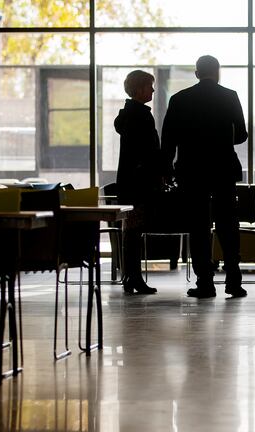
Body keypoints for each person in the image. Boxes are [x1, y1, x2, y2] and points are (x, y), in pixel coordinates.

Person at [161, 55, 248, 298]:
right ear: (217, 72)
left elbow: (168, 139)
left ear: (197, 73)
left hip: (192, 170)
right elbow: (241, 135)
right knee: (228, 226)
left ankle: (205, 283)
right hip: (223, 169)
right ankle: (233, 281)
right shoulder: (230, 96)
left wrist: (166, 169)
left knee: (198, 227)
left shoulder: (179, 99)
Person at [114, 70, 163, 295]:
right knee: (135, 232)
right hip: (140, 182)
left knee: (130, 231)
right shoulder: (142, 115)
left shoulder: (127, 114)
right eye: (149, 86)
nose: (152, 90)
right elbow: (149, 151)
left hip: (128, 181)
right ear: (139, 88)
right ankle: (134, 277)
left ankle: (130, 276)